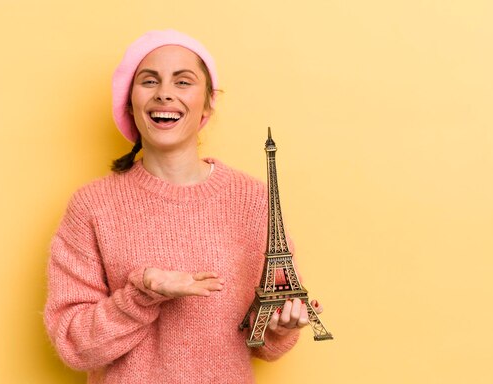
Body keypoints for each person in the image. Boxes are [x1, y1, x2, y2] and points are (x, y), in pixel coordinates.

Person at [44, 29, 323, 384]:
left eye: (183, 81)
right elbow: (73, 344)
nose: (164, 93)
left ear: (208, 102)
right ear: (129, 103)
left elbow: (261, 342)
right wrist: (143, 294)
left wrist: (280, 328)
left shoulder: (253, 199)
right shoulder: (91, 206)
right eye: (149, 81)